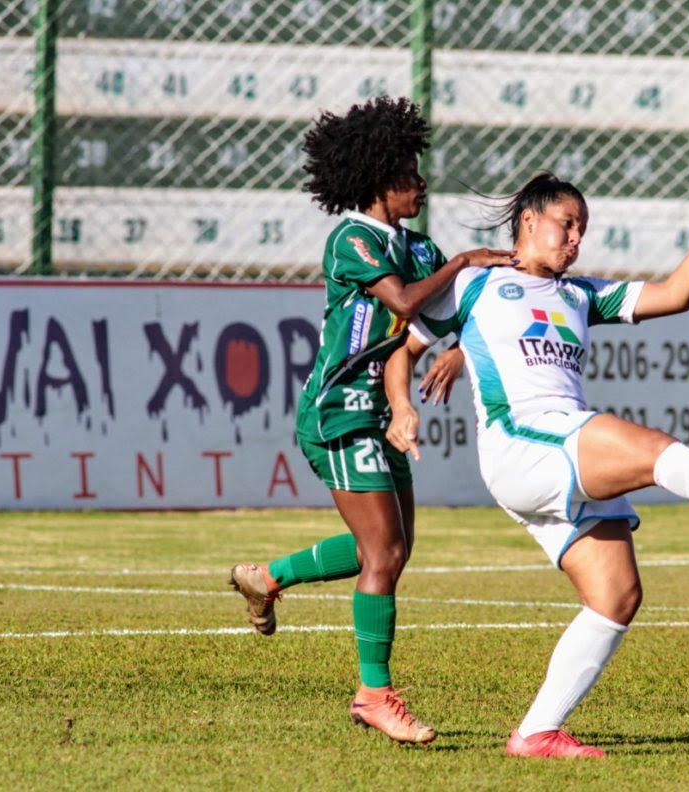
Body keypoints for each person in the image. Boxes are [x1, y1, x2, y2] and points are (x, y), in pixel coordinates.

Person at [383, 166, 689, 758]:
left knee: (616, 596)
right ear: (528, 222)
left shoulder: (581, 294)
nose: (576, 238)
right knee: (655, 450)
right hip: (523, 443)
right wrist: (402, 408)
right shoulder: (476, 284)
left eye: (582, 228)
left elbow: (675, 295)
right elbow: (400, 351)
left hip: (558, 446)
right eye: (566, 224)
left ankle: (536, 732)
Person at [228, 96, 512, 745]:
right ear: (379, 176)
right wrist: (464, 260)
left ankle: (267, 577)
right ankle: (373, 695)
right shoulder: (352, 239)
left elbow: (453, 315)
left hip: (379, 413)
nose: (421, 181)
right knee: (383, 552)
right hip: (338, 411)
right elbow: (409, 301)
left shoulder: (418, 245)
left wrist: (462, 342)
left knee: (384, 551)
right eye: (410, 171)